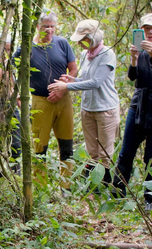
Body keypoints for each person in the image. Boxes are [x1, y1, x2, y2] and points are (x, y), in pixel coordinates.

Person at [111, 12, 152, 211]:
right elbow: (134, 77)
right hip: (139, 104)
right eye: (146, 28)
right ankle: (117, 195)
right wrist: (134, 58)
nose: (149, 32)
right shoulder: (140, 51)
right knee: (126, 151)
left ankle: (151, 200)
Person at [47, 19, 120, 190]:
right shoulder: (84, 55)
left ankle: (104, 189)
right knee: (92, 152)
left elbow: (96, 82)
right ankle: (92, 189)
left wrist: (67, 86)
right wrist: (72, 80)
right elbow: (86, 81)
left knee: (105, 154)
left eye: (83, 39)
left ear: (92, 37)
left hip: (106, 110)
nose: (80, 43)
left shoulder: (107, 54)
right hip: (88, 109)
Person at [13, 11, 78, 190]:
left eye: (52, 26)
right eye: (45, 27)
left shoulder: (62, 43)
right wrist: (17, 95)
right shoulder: (27, 47)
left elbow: (73, 69)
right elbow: (12, 68)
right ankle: (40, 189)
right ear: (37, 27)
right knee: (39, 146)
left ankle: (66, 188)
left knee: (66, 144)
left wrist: (65, 85)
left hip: (64, 100)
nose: (49, 30)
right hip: (40, 101)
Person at [0, 36, 21, 166]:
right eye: (4, 49)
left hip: (10, 104)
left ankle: (15, 172)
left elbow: (12, 87)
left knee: (16, 143)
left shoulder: (9, 65)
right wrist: (2, 63)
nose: (7, 53)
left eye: (9, 50)